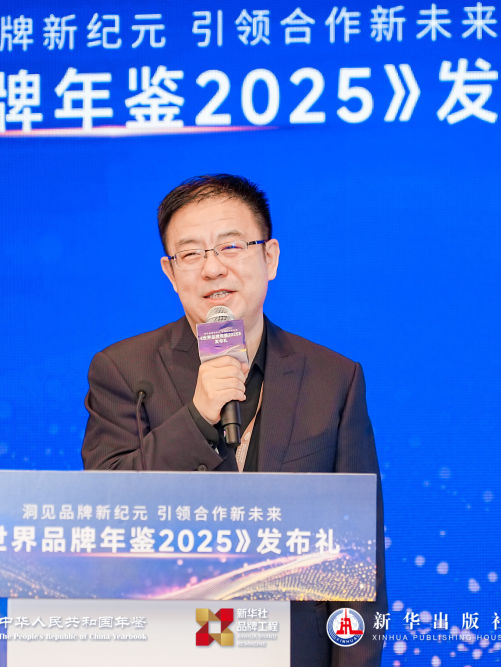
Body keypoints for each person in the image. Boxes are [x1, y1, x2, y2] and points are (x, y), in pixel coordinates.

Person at [82, 174, 386, 666]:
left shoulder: (333, 378)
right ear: (170, 271)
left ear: (270, 258)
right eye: (191, 253)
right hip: (164, 648)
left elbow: (358, 559)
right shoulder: (123, 370)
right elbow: (105, 512)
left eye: (231, 246)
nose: (212, 268)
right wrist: (198, 418)